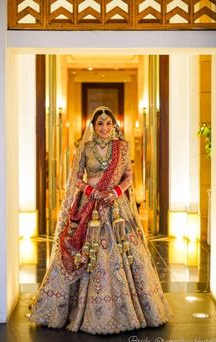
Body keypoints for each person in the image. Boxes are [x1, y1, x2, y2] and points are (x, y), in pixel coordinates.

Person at [29, 106, 173, 334]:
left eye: (108, 123)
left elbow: (128, 177)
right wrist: (92, 192)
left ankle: (129, 309)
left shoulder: (122, 148)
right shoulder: (85, 148)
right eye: (100, 124)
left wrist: (114, 193)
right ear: (93, 127)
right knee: (85, 251)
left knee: (125, 252)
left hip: (116, 208)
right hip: (90, 206)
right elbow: (75, 179)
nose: (104, 128)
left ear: (114, 125)